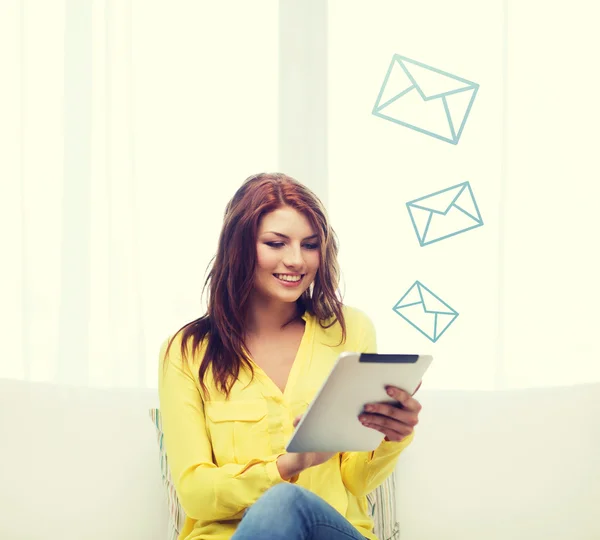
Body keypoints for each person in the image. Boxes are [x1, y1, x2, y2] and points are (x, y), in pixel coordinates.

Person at [158, 172, 422, 540]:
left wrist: (393, 436)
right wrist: (287, 467)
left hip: (328, 531)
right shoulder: (185, 352)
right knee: (280, 501)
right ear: (239, 246)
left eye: (310, 245)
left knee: (286, 503)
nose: (296, 260)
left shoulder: (351, 331)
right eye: (276, 243)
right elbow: (196, 495)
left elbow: (356, 481)